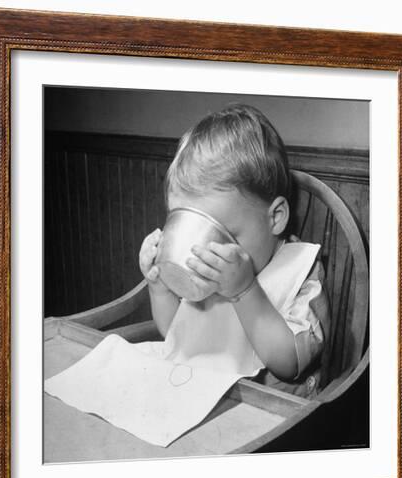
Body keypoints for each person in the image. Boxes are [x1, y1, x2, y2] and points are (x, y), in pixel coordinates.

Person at [138, 103, 330, 398]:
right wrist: (160, 286)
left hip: (273, 415)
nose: (210, 251)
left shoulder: (300, 273)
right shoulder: (210, 269)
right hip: (206, 397)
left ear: (275, 217)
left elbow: (289, 365)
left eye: (226, 234)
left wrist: (245, 291)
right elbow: (176, 334)